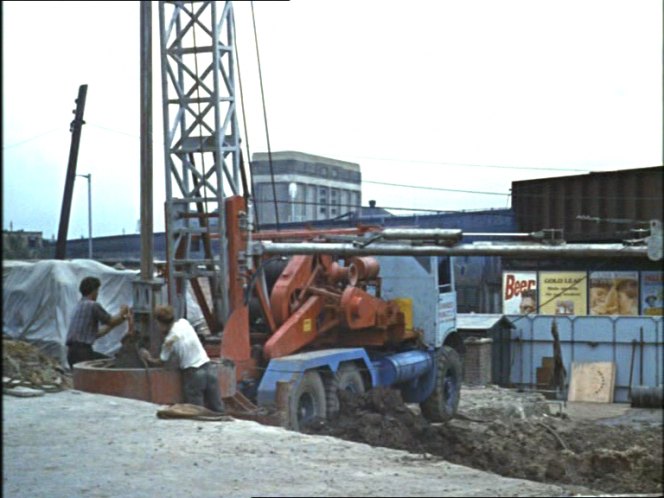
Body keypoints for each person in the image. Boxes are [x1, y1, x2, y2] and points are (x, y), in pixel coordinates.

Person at [139, 305, 225, 413]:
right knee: (218, 409)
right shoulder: (184, 323)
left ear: (160, 323)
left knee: (196, 413)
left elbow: (161, 362)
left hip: (194, 375)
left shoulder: (169, 340)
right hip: (209, 369)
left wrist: (147, 357)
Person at [66, 276, 130, 368]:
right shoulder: (93, 305)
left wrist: (117, 322)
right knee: (111, 366)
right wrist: (122, 314)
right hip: (83, 352)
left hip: (71, 353)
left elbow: (97, 333)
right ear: (94, 291)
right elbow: (111, 321)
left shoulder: (78, 306)